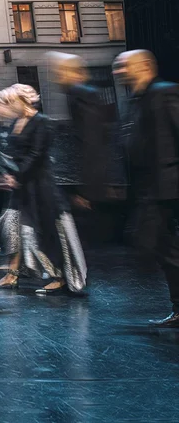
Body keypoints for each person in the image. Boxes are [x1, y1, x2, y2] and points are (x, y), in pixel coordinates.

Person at [0, 84, 87, 295]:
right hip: (20, 185)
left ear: (22, 100)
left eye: (11, 102)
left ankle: (59, 276)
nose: (8, 106)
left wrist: (17, 174)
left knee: (44, 232)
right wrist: (8, 173)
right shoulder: (16, 122)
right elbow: (8, 151)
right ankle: (13, 274)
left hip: (39, 186)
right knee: (12, 228)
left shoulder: (42, 122)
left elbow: (37, 155)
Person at [113, 50, 179, 327]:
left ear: (144, 66)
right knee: (162, 248)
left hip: (169, 188)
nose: (118, 71)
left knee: (160, 245)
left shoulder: (165, 93)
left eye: (123, 66)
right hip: (149, 189)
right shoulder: (136, 100)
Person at [49, 52, 111, 210]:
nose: (57, 77)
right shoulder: (78, 94)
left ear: (72, 71)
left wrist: (87, 192)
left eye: (60, 72)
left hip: (93, 188)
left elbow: (92, 142)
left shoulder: (81, 94)